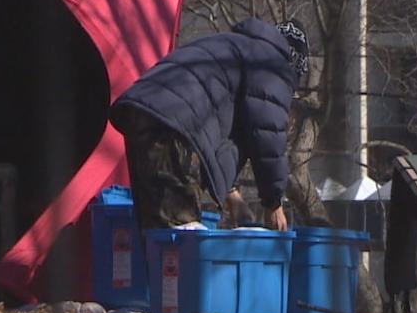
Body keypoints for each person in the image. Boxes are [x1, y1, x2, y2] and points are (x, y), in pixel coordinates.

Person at [109, 17, 309, 232]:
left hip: (143, 110)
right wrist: (273, 202)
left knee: (155, 230)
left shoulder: (236, 46)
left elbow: (222, 133)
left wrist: (233, 196)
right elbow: (268, 135)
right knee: (179, 234)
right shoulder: (271, 64)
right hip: (175, 123)